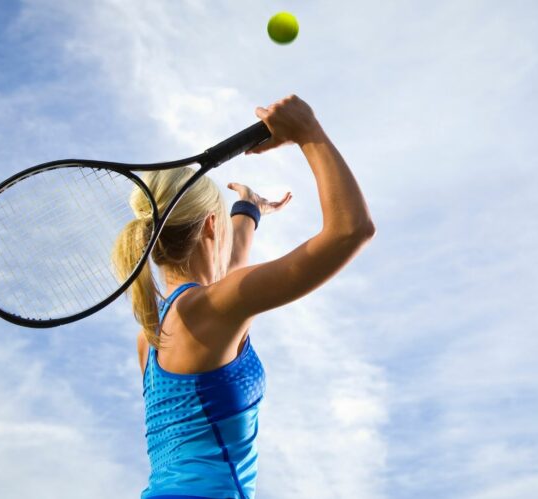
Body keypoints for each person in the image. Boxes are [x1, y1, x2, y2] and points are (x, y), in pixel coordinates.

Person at [112, 94, 376, 499]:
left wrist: (248, 210)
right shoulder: (210, 309)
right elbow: (350, 230)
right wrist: (308, 131)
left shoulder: (153, 334)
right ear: (211, 227)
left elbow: (228, 272)